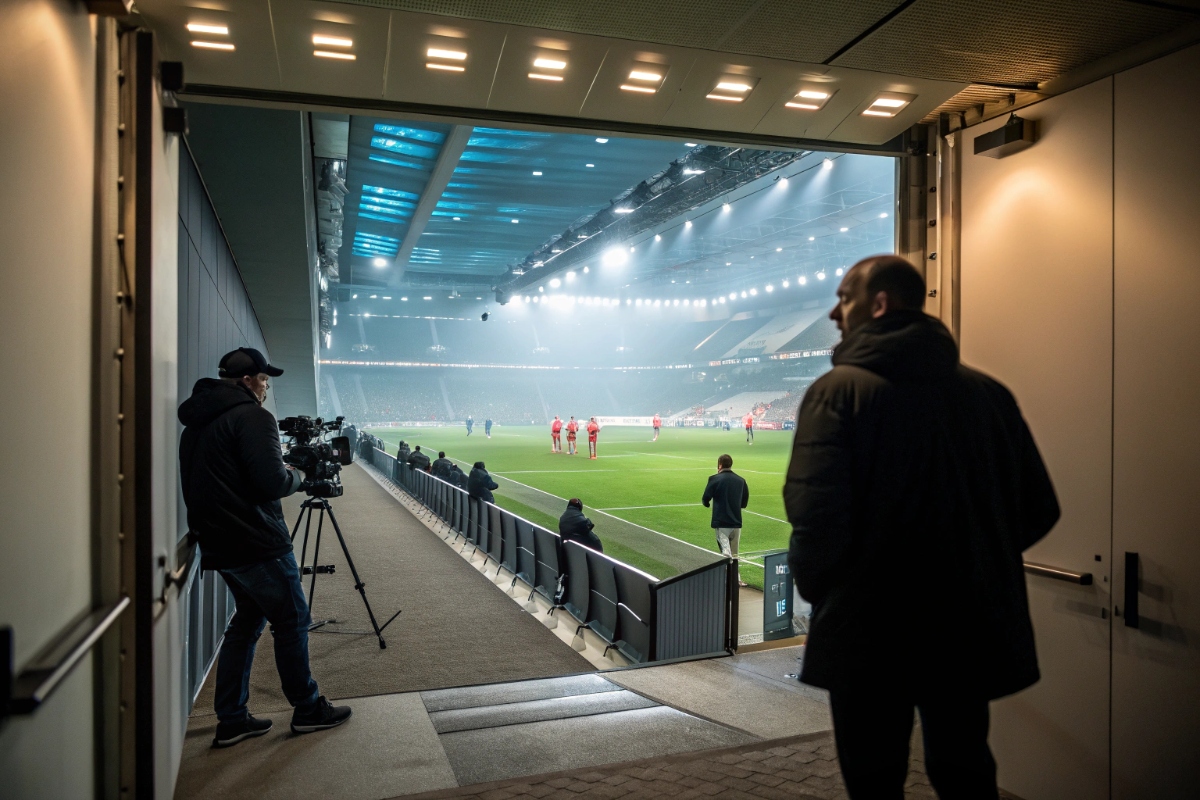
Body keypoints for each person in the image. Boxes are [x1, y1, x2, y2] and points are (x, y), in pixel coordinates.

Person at [784, 255, 1060, 799]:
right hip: (967, 620)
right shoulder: (989, 393)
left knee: (873, 776)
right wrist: (977, 560)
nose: (835, 313)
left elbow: (815, 515)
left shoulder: (838, 390)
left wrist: (827, 591)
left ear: (879, 304)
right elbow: (1039, 507)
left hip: (869, 625)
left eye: (845, 298)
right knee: (965, 769)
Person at [178, 347, 351, 748]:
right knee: (291, 622)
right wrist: (300, 474)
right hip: (256, 541)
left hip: (221, 543)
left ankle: (232, 718)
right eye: (264, 379)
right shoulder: (253, 416)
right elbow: (271, 483)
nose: (266, 387)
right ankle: (308, 709)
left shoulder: (197, 423)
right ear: (246, 381)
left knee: (246, 623)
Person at [701, 454, 749, 580]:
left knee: (725, 554)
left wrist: (707, 504)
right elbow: (744, 503)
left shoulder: (714, 479)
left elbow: (705, 499)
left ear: (720, 465)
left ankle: (725, 581)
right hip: (736, 523)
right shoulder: (741, 480)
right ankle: (736, 578)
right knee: (735, 554)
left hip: (721, 523)